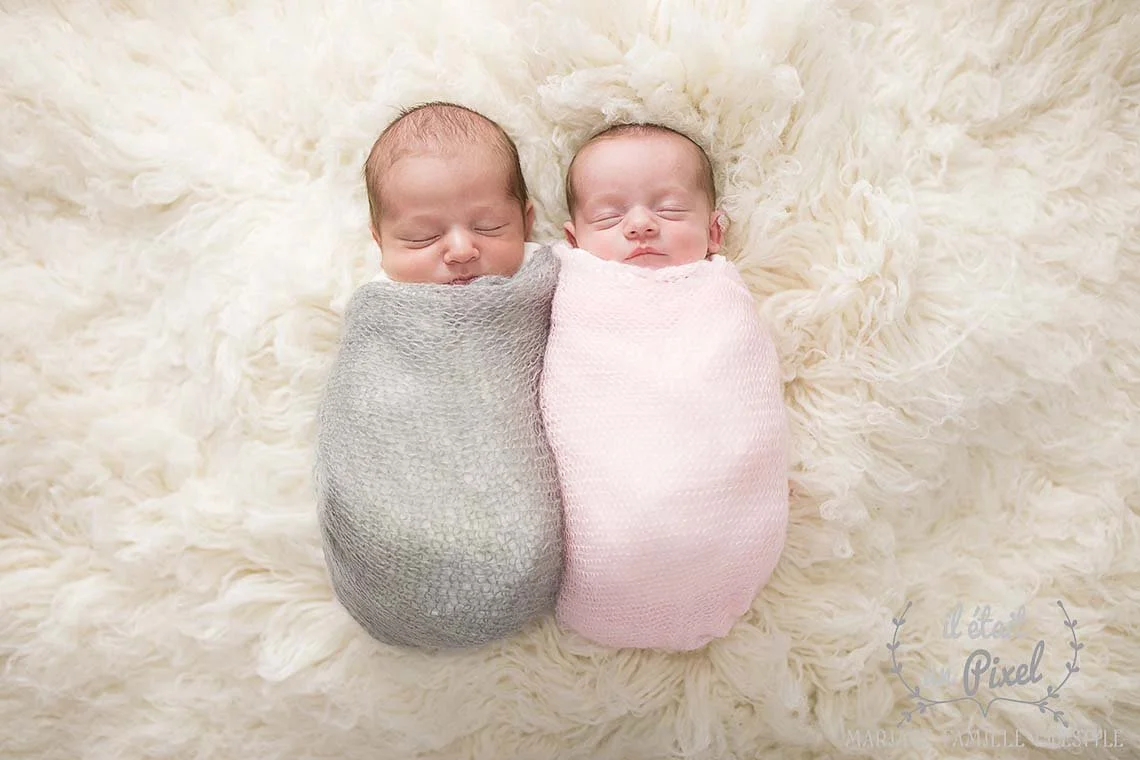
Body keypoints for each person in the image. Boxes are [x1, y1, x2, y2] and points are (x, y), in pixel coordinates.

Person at [314, 102, 563, 650]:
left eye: (488, 226)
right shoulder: (382, 309)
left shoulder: (545, 283)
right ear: (380, 242)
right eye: (423, 238)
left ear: (525, 221)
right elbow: (367, 411)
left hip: (511, 509)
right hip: (399, 504)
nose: (460, 250)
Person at [541, 123, 790, 651]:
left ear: (714, 234)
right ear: (573, 240)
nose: (640, 225)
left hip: (721, 525)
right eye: (609, 215)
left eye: (670, 210)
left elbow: (745, 396)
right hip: (607, 525)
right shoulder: (574, 291)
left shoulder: (718, 296)